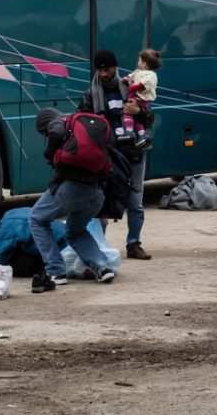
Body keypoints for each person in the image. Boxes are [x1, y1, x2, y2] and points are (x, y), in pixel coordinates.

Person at [29, 108, 116, 293]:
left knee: (37, 218)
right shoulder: (81, 125)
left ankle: (56, 272)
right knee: (75, 231)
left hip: (72, 188)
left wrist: (50, 153)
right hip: (97, 191)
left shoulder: (57, 122)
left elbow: (55, 132)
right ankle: (103, 267)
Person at [79, 49, 154, 261]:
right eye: (100, 70)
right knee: (100, 201)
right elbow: (82, 124)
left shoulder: (131, 89)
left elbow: (150, 118)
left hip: (134, 152)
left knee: (135, 201)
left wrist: (138, 112)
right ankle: (98, 245)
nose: (103, 74)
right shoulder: (90, 95)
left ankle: (134, 244)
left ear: (115, 67)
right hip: (106, 156)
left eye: (107, 69)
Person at [120, 48, 161, 149]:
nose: (137, 62)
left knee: (127, 112)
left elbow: (141, 85)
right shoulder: (138, 71)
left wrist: (131, 86)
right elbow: (130, 76)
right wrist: (126, 79)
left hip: (141, 98)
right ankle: (142, 136)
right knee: (137, 120)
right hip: (136, 97)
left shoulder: (151, 75)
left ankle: (128, 132)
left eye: (139, 60)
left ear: (145, 64)